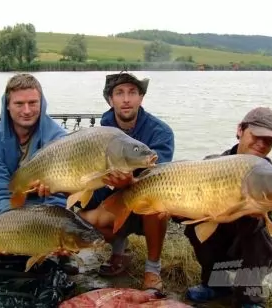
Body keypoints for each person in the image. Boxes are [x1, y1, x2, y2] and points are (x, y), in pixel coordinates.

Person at [76, 71, 175, 293]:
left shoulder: (161, 133)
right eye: (119, 93)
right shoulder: (103, 129)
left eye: (132, 92)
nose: (126, 99)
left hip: (144, 205)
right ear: (110, 100)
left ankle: (152, 269)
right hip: (113, 202)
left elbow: (160, 176)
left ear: (141, 97)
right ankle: (119, 250)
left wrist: (131, 180)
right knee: (79, 217)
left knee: (155, 202)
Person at [182, 107, 272, 308]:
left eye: (270, 140)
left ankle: (248, 297)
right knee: (198, 222)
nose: (262, 144)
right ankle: (216, 285)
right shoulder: (211, 164)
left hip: (258, 244)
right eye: (257, 135)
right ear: (240, 130)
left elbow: (271, 208)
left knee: (257, 227)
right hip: (224, 236)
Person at [0, 73, 76, 270]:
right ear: (7, 105)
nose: (27, 110)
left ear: (42, 103)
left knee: (71, 200)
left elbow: (60, 195)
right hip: (14, 199)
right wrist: (9, 229)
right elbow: (2, 192)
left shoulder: (59, 139)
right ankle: (0, 243)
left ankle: (62, 254)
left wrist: (53, 235)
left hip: (48, 202)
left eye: (32, 103)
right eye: (19, 104)